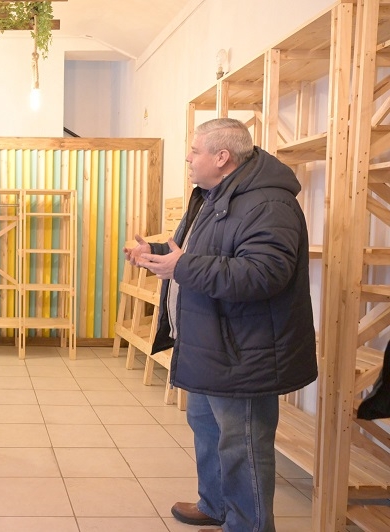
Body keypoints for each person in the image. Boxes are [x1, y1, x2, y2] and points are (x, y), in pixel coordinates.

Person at [125, 118, 317, 532]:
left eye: (195, 151)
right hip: (211, 342)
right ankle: (215, 506)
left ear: (222, 157)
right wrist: (157, 253)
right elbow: (200, 253)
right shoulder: (215, 195)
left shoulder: (268, 203)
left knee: (242, 445)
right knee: (207, 428)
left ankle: (248, 525)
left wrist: (182, 265)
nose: (189, 158)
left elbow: (264, 273)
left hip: (246, 350)